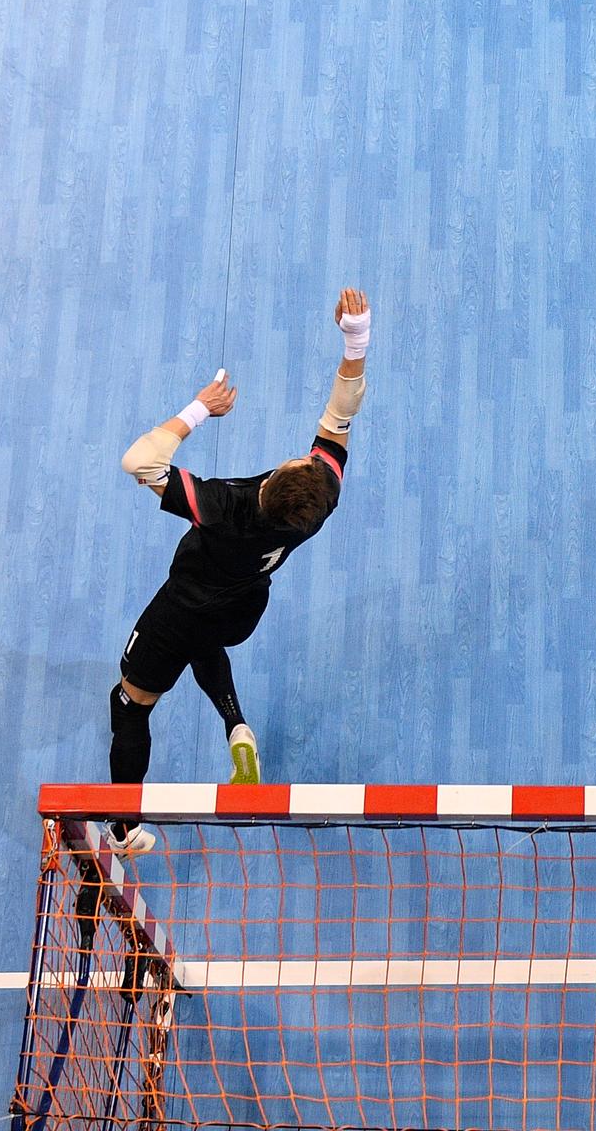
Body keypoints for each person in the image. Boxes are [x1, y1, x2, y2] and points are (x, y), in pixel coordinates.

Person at [105, 289, 370, 852]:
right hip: (244, 608)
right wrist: (356, 339)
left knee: (128, 705)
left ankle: (124, 830)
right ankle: (237, 729)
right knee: (207, 641)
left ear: (273, 481)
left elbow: (139, 460)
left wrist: (199, 409)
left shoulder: (223, 508)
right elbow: (341, 414)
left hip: (181, 610)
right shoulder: (317, 506)